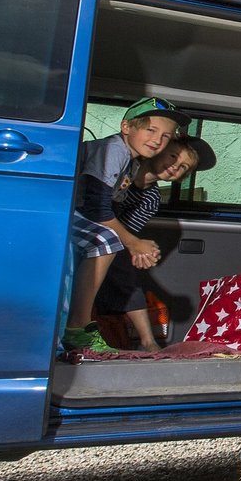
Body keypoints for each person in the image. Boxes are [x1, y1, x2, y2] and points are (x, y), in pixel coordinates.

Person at [64, 97, 188, 353]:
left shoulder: (130, 164)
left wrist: (137, 246)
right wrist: (133, 243)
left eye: (166, 136)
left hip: (78, 214)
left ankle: (141, 341)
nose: (157, 140)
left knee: (112, 244)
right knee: (106, 241)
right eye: (150, 130)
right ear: (126, 127)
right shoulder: (114, 150)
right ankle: (78, 326)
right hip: (62, 210)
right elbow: (96, 208)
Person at [94, 136, 214, 351]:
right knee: (117, 255)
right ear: (159, 151)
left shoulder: (150, 198)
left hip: (114, 235)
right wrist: (135, 245)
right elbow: (98, 208)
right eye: (173, 156)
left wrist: (140, 251)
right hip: (94, 225)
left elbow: (128, 230)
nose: (174, 166)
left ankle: (148, 341)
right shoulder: (123, 167)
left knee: (124, 265)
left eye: (182, 167)